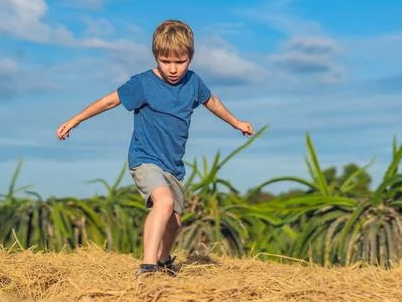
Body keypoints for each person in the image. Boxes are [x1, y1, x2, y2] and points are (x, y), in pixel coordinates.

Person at [56, 19, 254, 277]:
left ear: (190, 58)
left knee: (174, 222)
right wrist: (75, 120)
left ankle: (163, 260)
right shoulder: (142, 83)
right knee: (164, 200)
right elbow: (108, 101)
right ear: (156, 56)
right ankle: (147, 266)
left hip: (173, 165)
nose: (173, 68)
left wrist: (236, 122)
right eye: (165, 61)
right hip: (145, 159)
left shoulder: (193, 83)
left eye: (180, 61)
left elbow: (212, 101)